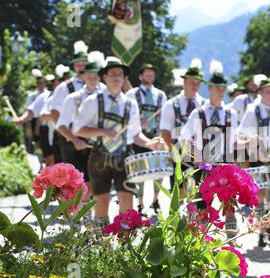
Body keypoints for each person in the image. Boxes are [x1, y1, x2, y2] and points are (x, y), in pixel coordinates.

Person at [73, 57, 161, 228]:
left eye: (119, 74)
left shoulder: (131, 104)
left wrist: (149, 143)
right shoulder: (92, 101)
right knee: (101, 202)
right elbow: (78, 129)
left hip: (125, 158)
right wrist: (103, 131)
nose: (116, 77)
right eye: (112, 74)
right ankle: (102, 246)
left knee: (127, 204)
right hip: (99, 157)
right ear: (104, 77)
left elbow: (136, 135)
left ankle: (123, 246)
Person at [180, 60, 239, 238]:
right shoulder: (198, 113)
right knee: (202, 208)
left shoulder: (231, 113)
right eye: (217, 88)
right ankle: (201, 243)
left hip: (224, 165)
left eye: (223, 88)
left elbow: (234, 142)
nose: (220, 91)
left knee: (229, 206)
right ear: (210, 89)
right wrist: (195, 153)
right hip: (203, 168)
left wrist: (253, 142)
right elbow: (184, 138)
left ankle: (231, 244)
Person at [238, 74, 270, 247]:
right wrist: (255, 151)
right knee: (260, 195)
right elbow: (242, 133)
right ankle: (262, 231)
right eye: (267, 91)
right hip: (257, 157)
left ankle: (267, 224)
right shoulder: (253, 109)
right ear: (260, 92)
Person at [56, 51, 106, 194]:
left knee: (98, 183)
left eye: (96, 75)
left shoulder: (107, 94)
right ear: (83, 76)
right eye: (89, 75)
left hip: (99, 144)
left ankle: (94, 214)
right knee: (78, 183)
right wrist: (75, 140)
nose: (92, 78)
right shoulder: (73, 98)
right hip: (75, 144)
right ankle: (81, 213)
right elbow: (61, 124)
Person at [126, 63, 167, 213]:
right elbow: (125, 116)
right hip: (138, 137)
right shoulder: (131, 94)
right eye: (147, 74)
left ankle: (155, 200)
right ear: (140, 76)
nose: (150, 77)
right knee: (139, 170)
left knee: (159, 170)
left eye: (152, 74)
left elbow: (164, 118)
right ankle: (140, 202)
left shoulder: (161, 95)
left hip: (155, 136)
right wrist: (137, 120)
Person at [160, 58, 206, 189]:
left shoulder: (204, 104)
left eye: (198, 83)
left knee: (200, 194)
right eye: (192, 82)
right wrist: (174, 152)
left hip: (200, 155)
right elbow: (165, 131)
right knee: (178, 194)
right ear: (184, 81)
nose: (195, 86)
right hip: (177, 154)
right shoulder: (171, 104)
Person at [47, 40, 88, 163]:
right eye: (78, 64)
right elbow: (55, 113)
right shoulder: (64, 87)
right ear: (74, 66)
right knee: (73, 177)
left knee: (93, 178)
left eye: (84, 63)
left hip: (91, 135)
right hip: (70, 137)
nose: (81, 66)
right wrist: (70, 136)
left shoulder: (98, 86)